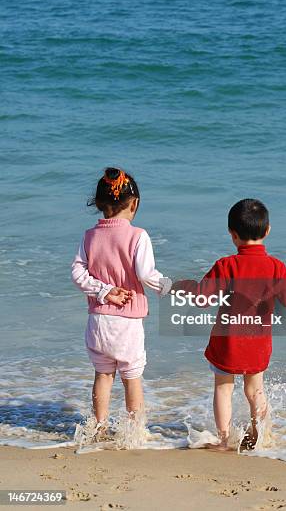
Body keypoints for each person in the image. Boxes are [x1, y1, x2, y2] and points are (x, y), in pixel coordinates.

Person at [173, 198, 286, 450]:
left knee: (223, 389)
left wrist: (178, 286)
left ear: (232, 234)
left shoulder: (226, 265)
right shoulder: (275, 267)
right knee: (255, 391)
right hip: (258, 343)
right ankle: (260, 437)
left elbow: (202, 298)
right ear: (267, 231)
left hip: (226, 342)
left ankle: (224, 440)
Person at [71, 167, 170, 434]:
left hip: (97, 322)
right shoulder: (138, 236)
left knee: (103, 375)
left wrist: (103, 290)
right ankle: (134, 431)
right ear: (135, 203)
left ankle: (99, 427)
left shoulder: (89, 236)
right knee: (131, 377)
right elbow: (146, 274)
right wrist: (168, 287)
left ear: (100, 203)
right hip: (126, 323)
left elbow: (77, 272)